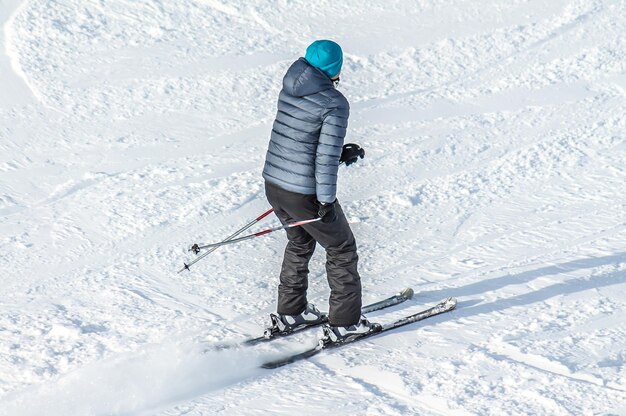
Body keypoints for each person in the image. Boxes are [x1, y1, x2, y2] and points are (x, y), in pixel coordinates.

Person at [262, 39, 374, 342]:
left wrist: (340, 152)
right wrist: (325, 201)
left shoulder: (291, 87)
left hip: (275, 184)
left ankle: (291, 312)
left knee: (300, 242)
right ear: (334, 69)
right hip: (303, 193)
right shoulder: (334, 103)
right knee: (341, 248)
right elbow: (322, 159)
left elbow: (301, 140)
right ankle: (345, 323)